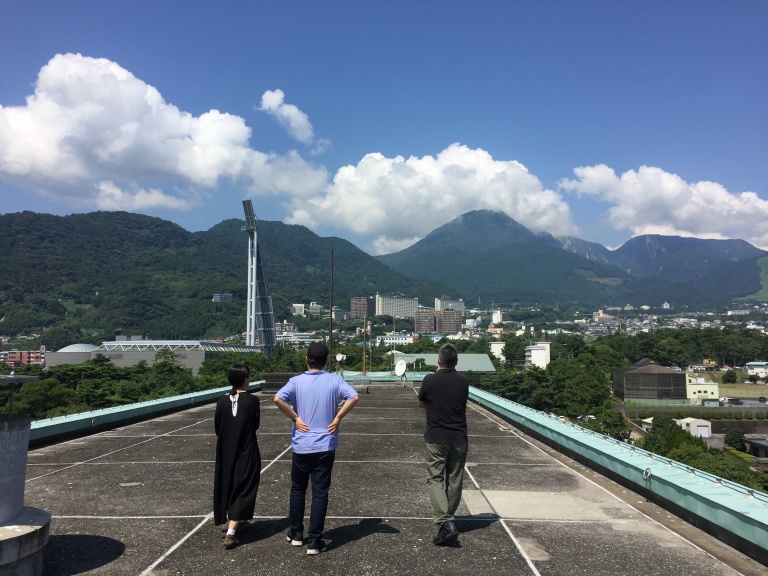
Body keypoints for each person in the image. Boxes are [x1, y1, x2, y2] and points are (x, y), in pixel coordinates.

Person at [274, 342, 359, 555]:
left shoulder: (296, 381)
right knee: (320, 492)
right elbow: (354, 396)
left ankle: (295, 533)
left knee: (298, 489)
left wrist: (295, 418)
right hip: (325, 444)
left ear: (306, 359)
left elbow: (278, 399)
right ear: (326, 360)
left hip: (302, 444)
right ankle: (315, 540)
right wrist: (338, 417)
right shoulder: (334, 380)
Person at [417, 343, 469, 546]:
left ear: (439, 360)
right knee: (455, 479)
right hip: (459, 437)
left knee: (435, 478)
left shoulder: (430, 379)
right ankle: (449, 520)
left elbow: (421, 403)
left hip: (436, 436)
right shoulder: (463, 381)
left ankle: (445, 522)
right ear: (455, 361)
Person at [213, 364, 261, 549]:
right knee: (245, 485)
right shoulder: (252, 401)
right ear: (245, 379)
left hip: (225, 450)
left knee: (228, 483)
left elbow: (218, 428)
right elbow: (255, 424)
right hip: (246, 449)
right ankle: (231, 532)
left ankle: (238, 522)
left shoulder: (221, 402)